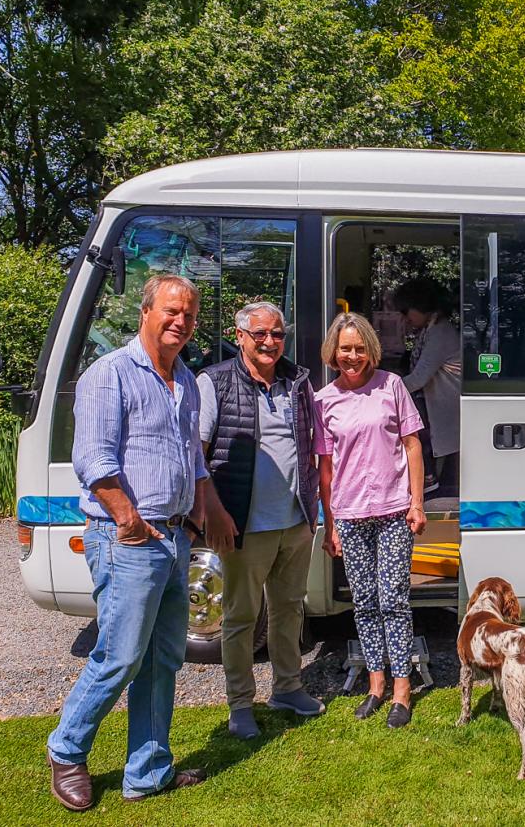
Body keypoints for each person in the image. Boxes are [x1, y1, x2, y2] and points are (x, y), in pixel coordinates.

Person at [46, 274, 210, 810]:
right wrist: (130, 521)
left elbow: (190, 457)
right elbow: (94, 460)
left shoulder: (185, 379)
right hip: (130, 538)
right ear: (146, 311)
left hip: (173, 536)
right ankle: (67, 750)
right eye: (171, 310)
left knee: (164, 659)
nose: (180, 321)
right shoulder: (110, 374)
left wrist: (194, 516)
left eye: (188, 314)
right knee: (119, 656)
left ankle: (148, 771)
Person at [197, 302, 324, 740]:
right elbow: (197, 452)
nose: (270, 342)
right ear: (240, 336)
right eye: (260, 334)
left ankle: (288, 688)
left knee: (289, 611)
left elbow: (310, 448)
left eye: (277, 334)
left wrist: (314, 510)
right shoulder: (214, 382)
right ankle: (240, 704)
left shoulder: (298, 382)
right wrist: (213, 512)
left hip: (295, 522)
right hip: (244, 525)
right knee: (240, 618)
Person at [315, 312, 427, 728]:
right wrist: (330, 524)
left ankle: (402, 688)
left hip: (394, 510)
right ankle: (375, 684)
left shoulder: (392, 386)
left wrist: (417, 502)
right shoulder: (324, 400)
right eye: (345, 348)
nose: (353, 356)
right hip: (349, 513)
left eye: (360, 348)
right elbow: (325, 468)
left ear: (371, 350)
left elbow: (413, 445)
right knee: (363, 602)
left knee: (394, 599)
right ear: (334, 351)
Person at [392, 279, 461, 496]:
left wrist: (379, 391)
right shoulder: (428, 330)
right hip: (437, 408)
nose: (405, 317)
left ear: (421, 306)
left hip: (444, 410)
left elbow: (418, 379)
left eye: (406, 311)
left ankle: (427, 478)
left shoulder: (440, 332)